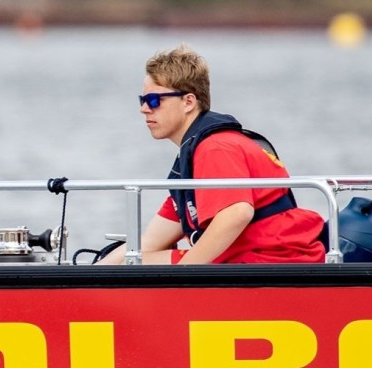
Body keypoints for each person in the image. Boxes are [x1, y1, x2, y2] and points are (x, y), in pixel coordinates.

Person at [101, 44, 325, 265]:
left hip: (271, 259)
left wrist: (186, 272)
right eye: (143, 101)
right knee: (134, 260)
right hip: (252, 258)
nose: (144, 109)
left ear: (188, 102)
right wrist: (96, 271)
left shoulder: (216, 148)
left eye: (154, 100)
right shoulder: (192, 160)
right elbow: (148, 242)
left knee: (139, 264)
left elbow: (237, 212)